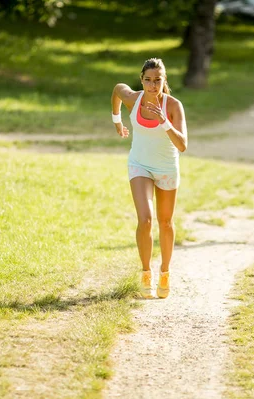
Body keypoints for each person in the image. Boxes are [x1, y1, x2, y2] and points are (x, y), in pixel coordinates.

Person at [110, 58, 188, 298]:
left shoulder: (173, 106)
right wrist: (117, 120)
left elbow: (183, 145)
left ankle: (165, 271)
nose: (152, 85)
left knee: (165, 223)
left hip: (166, 167)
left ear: (164, 81)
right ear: (141, 79)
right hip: (139, 165)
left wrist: (164, 122)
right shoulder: (133, 99)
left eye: (158, 80)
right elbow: (116, 90)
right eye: (148, 80)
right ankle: (146, 272)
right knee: (145, 220)